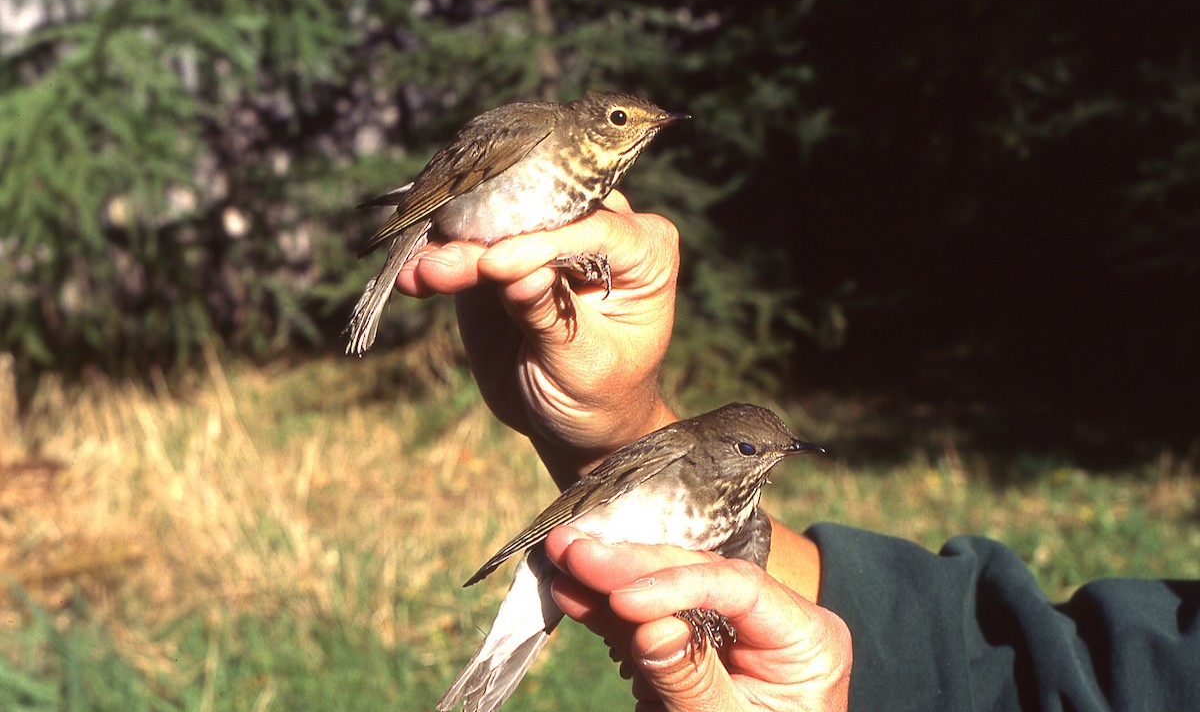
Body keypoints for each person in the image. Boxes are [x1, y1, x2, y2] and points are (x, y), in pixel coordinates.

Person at [394, 191, 1200, 711]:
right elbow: (1017, 667)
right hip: (565, 561)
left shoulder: (737, 514)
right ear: (720, 444)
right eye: (753, 448)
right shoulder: (678, 456)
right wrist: (603, 418)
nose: (770, 458)